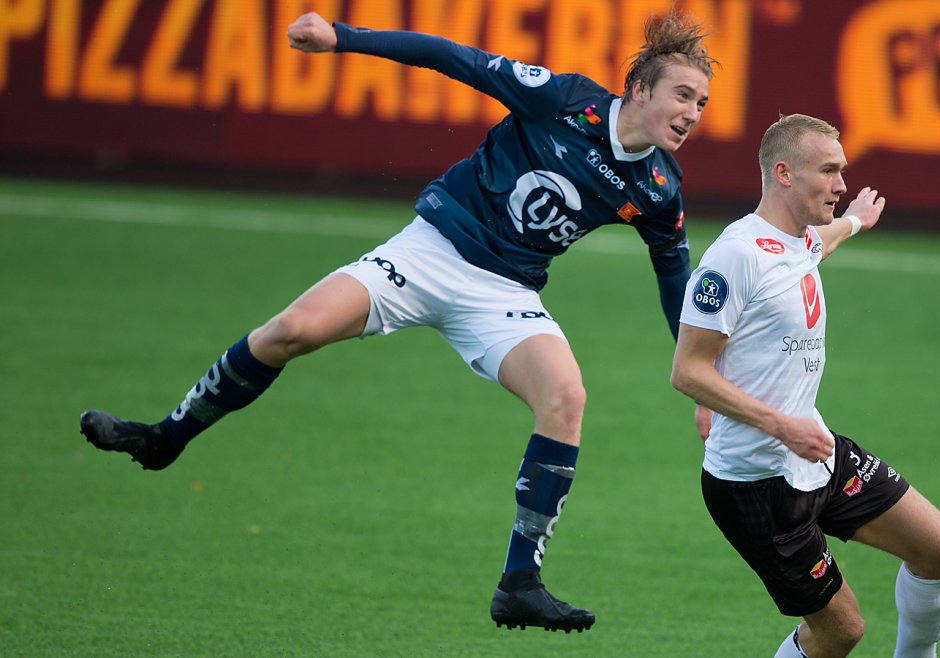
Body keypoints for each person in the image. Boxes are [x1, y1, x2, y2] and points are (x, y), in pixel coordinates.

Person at [80, 9, 716, 634]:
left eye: (702, 103)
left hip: (504, 293)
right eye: (682, 95)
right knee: (290, 331)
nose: (691, 112)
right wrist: (341, 39)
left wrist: (698, 375)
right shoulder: (565, 100)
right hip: (430, 251)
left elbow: (674, 284)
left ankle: (520, 583)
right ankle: (166, 439)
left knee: (566, 397)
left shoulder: (660, 187)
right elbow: (453, 58)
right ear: (639, 90)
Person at [670, 114, 940, 657]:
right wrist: (781, 425)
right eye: (829, 171)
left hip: (815, 454)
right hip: (756, 486)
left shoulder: (799, 240)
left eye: (843, 171)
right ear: (784, 173)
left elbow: (816, 246)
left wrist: (854, 222)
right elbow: (687, 370)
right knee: (840, 630)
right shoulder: (734, 256)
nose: (842, 184)